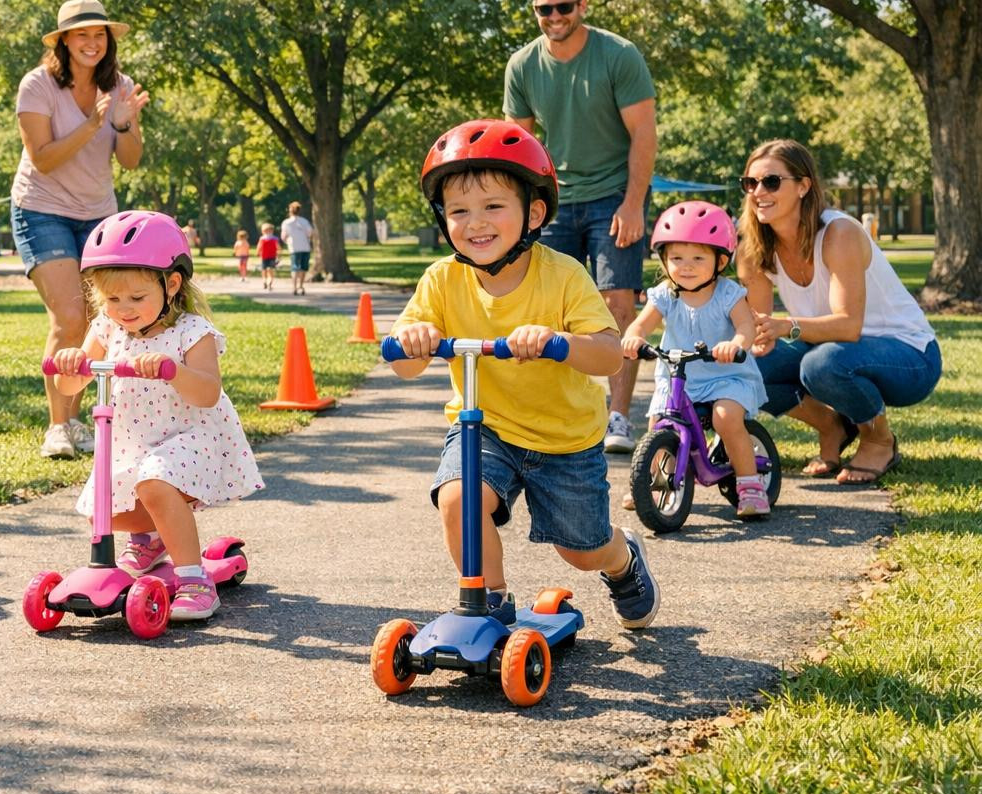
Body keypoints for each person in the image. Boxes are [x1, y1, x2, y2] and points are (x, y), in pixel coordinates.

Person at [388, 120, 660, 630]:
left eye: (494, 206)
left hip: (565, 440)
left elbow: (608, 355)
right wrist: (413, 339)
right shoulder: (442, 280)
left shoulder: (562, 275)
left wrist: (558, 343)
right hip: (486, 429)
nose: (476, 223)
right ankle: (488, 604)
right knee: (458, 498)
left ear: (533, 212)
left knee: (582, 551)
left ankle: (622, 560)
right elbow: (405, 365)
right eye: (459, 211)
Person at [50, 210, 263, 620]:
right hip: (135, 441)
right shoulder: (107, 328)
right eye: (112, 299)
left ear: (172, 284)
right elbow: (69, 388)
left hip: (191, 436)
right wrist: (72, 366)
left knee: (155, 481)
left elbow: (207, 392)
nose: (123, 309)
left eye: (136, 298)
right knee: (106, 508)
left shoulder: (191, 331)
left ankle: (194, 580)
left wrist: (173, 369)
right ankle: (148, 539)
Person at [504, 0, 658, 454]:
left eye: (563, 8)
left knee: (616, 303)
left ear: (582, 7)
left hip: (615, 193)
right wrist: (524, 212)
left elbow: (644, 135)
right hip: (554, 201)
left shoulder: (618, 55)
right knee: (543, 304)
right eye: (544, 9)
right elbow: (518, 147)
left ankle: (617, 417)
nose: (554, 17)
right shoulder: (522, 65)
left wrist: (634, 203)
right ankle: (555, 416)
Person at [737, 140, 941, 485]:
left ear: (804, 186)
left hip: (909, 357)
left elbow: (848, 326)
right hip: (831, 348)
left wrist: (786, 325)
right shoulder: (753, 249)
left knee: (821, 365)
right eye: (750, 183)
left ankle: (879, 440)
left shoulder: (839, 232)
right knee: (746, 369)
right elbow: (759, 331)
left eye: (771, 181)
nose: (759, 191)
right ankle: (831, 427)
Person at [12, 0, 150, 460]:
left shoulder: (121, 87)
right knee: (69, 317)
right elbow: (44, 159)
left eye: (99, 35)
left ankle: (75, 420)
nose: (92, 42)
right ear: (65, 41)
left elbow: (130, 162)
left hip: (98, 214)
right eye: (82, 34)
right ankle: (57, 426)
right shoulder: (38, 85)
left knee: (95, 323)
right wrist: (95, 123)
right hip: (41, 207)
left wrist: (126, 124)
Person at [621, 202, 771, 518]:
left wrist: (735, 344)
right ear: (664, 260)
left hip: (726, 376)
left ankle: (750, 485)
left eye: (698, 258)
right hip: (678, 377)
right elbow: (641, 324)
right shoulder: (665, 294)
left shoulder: (729, 294)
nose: (686, 266)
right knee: (659, 422)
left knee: (726, 417)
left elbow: (746, 325)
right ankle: (654, 480)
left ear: (720, 261)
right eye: (676, 258)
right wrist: (633, 336)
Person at [280, 201, 315, 295]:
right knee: (303, 267)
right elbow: (310, 233)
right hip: (305, 246)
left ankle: (294, 287)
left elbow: (283, 236)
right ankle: (301, 286)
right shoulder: (304, 221)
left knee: (295, 267)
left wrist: (287, 241)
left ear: (290, 211)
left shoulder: (286, 222)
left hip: (294, 247)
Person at [257, 222, 281, 291]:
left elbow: (259, 247)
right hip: (272, 257)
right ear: (272, 231)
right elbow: (278, 248)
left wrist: (258, 252)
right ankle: (269, 282)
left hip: (264, 256)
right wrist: (279, 254)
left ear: (263, 231)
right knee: (271, 270)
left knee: (264, 270)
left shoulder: (262, 239)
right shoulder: (275, 239)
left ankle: (264, 281)